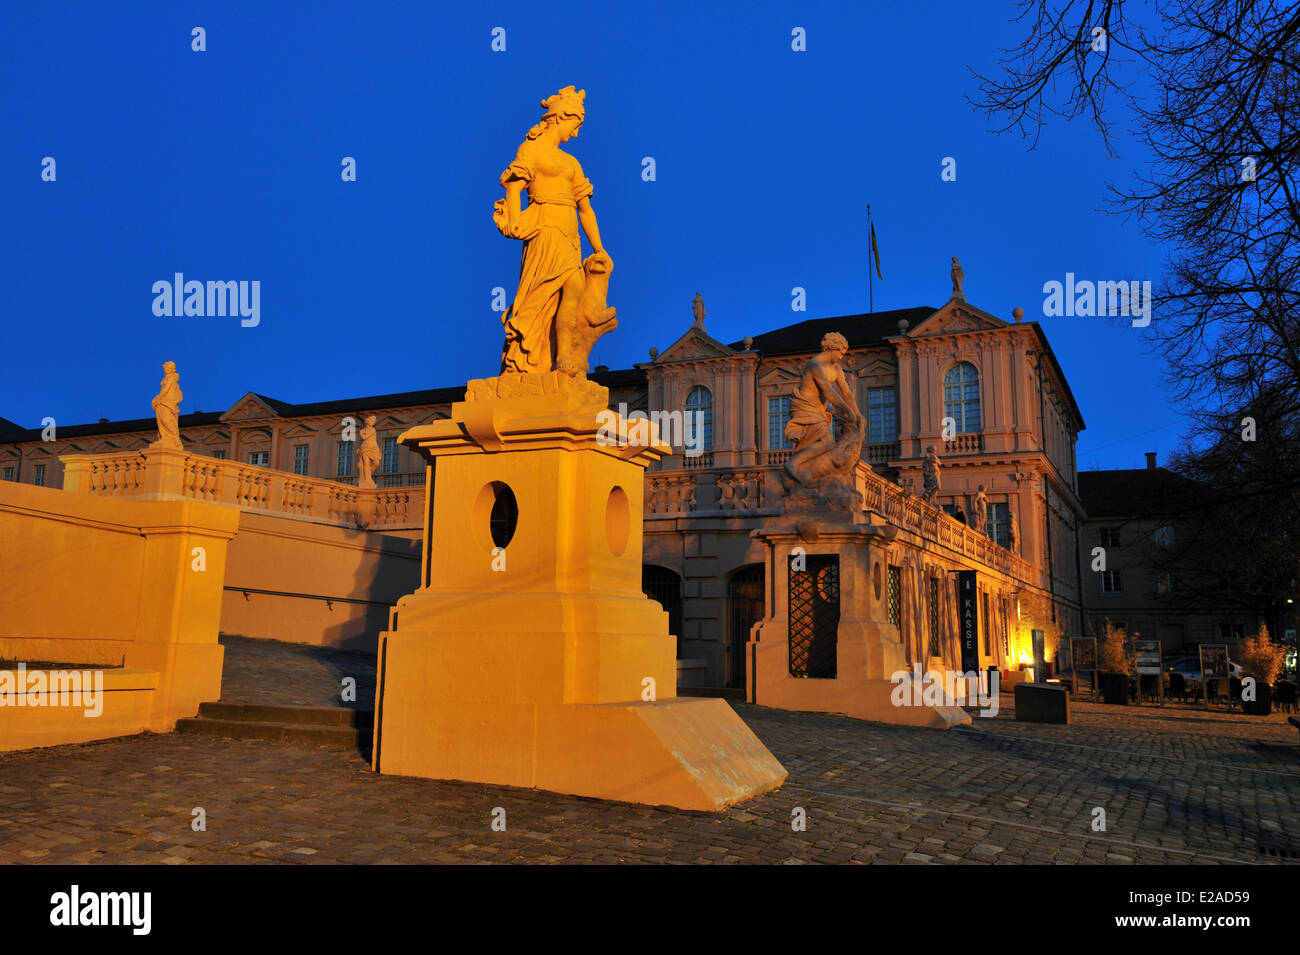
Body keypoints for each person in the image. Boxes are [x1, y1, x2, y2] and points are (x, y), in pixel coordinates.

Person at [494, 86, 610, 376]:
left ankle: (563, 358)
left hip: (569, 233)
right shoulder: (531, 150)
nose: (576, 133)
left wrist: (598, 248)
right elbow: (515, 185)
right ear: (560, 118)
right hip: (545, 227)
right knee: (544, 294)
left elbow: (585, 210)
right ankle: (533, 357)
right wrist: (516, 220)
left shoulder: (572, 163)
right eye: (576, 124)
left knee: (572, 289)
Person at [784, 332, 864, 487]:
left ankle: (808, 472)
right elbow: (828, 391)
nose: (841, 357)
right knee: (827, 443)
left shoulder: (836, 370)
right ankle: (793, 465)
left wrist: (858, 413)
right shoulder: (814, 365)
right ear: (832, 348)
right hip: (805, 407)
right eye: (841, 353)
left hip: (819, 411)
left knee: (823, 445)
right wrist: (848, 411)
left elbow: (846, 393)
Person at [150, 361, 183, 450]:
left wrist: (159, 398)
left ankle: (174, 438)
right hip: (163, 401)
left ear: (172, 369)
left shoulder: (171, 378)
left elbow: (166, 390)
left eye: (167, 367)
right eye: (165, 368)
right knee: (161, 419)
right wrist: (158, 399)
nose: (166, 369)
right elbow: (163, 390)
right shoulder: (166, 378)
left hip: (168, 401)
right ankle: (165, 438)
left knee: (166, 419)